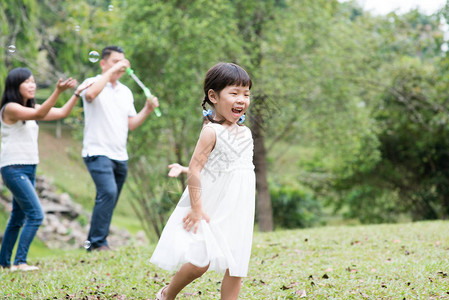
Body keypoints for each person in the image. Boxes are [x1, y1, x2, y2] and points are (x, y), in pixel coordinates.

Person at [150, 62, 255, 300]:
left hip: (239, 207)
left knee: (236, 265)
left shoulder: (246, 133)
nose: (242, 99)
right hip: (210, 207)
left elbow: (226, 167)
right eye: (234, 93)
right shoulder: (211, 131)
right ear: (213, 96)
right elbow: (197, 168)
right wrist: (196, 208)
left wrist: (184, 168)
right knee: (199, 262)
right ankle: (167, 294)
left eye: (246, 94)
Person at [0, 67, 90, 271]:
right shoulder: (10, 108)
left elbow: (62, 112)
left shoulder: (31, 109)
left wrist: (76, 93)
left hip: (29, 167)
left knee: (18, 217)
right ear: (16, 86)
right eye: (27, 82)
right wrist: (57, 91)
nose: (32, 85)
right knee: (36, 214)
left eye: (33, 81)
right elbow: (40, 113)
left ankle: (4, 264)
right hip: (13, 168)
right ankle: (20, 261)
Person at [79, 46, 159, 251]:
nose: (121, 66)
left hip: (120, 154)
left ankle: (94, 241)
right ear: (103, 63)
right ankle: (98, 244)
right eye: (115, 62)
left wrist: (147, 110)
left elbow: (131, 124)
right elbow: (90, 95)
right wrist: (110, 73)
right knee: (108, 191)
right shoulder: (91, 83)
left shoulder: (125, 92)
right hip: (97, 151)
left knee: (110, 198)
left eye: (123, 62)